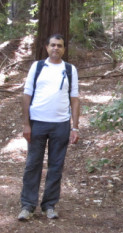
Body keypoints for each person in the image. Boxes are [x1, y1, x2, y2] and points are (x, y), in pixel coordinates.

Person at [18, 34, 80, 221]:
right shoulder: (37, 67)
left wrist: (74, 127)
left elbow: (75, 99)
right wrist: (26, 123)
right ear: (46, 47)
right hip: (37, 122)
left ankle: (49, 205)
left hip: (61, 124)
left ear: (64, 49)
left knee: (56, 166)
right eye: (52, 45)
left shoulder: (70, 69)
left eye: (59, 45)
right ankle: (27, 206)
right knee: (32, 164)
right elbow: (26, 96)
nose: (56, 48)